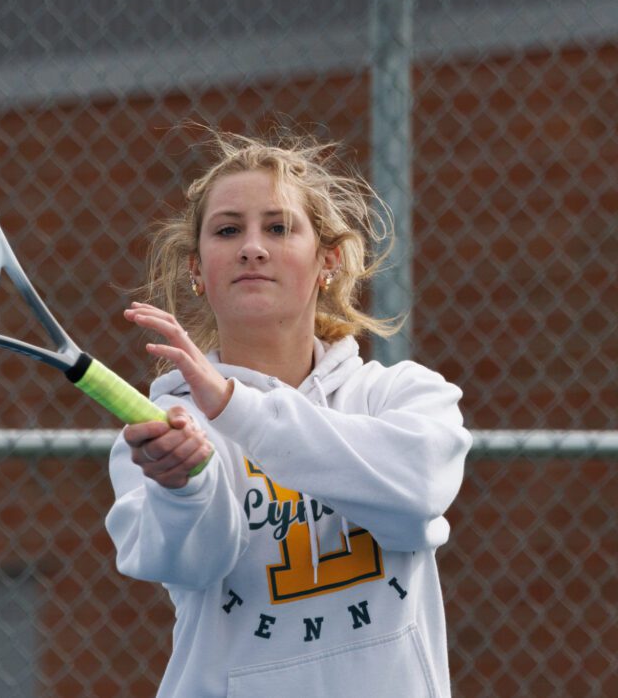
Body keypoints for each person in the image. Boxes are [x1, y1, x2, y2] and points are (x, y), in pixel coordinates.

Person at [105, 128, 471, 697]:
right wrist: (184, 486)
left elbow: (417, 493)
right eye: (228, 230)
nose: (253, 246)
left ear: (328, 260)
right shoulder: (169, 426)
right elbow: (193, 564)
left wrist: (236, 407)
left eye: (278, 228)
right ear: (197, 269)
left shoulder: (403, 396)